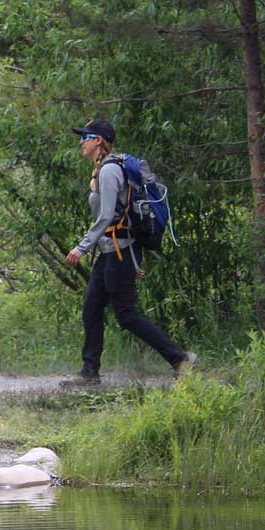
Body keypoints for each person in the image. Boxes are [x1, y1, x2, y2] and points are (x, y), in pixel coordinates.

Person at [63, 118, 197, 386]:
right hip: (111, 253)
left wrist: (81, 247)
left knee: (126, 314)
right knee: (91, 308)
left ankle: (180, 358)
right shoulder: (103, 169)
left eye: (85, 137)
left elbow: (106, 217)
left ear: (98, 140)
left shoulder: (109, 171)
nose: (81, 142)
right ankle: (90, 372)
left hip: (120, 251)